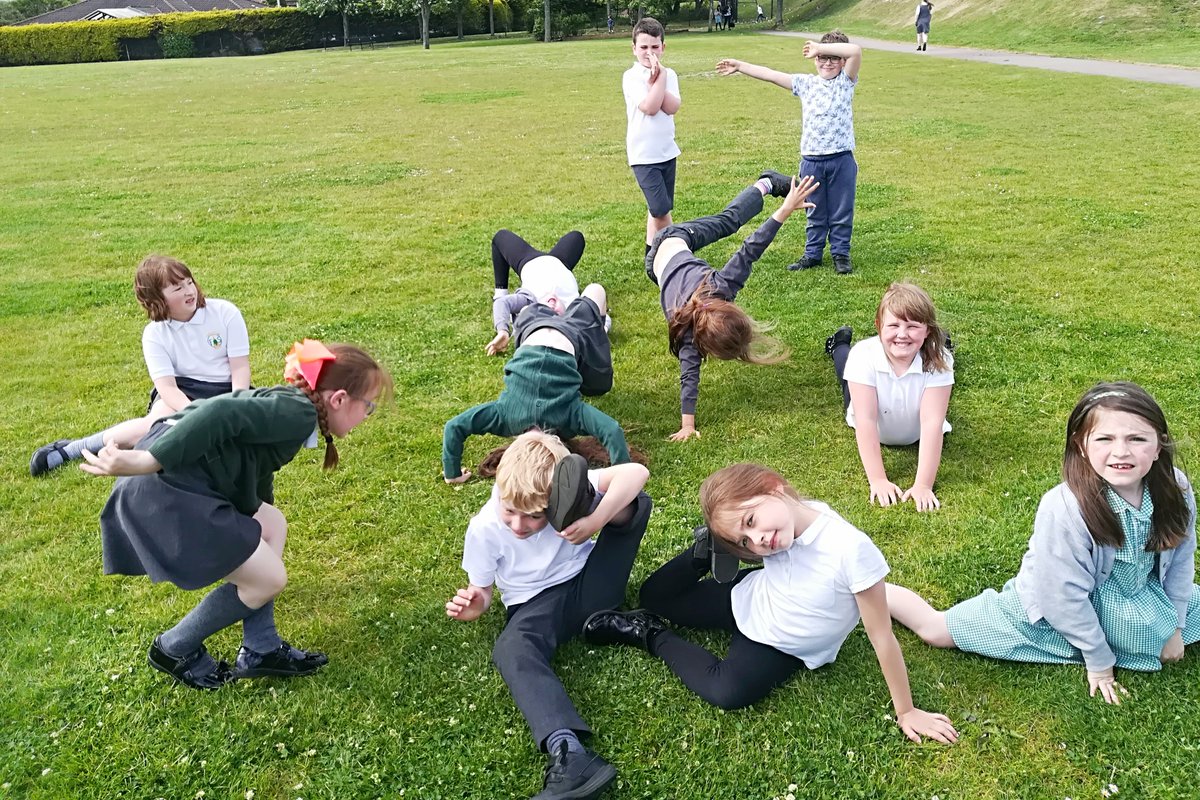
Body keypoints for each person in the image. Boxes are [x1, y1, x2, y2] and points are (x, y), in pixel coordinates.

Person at [80, 339, 389, 690]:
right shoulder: (297, 413)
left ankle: (261, 648)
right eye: (369, 406)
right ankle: (174, 648)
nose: (368, 414)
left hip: (176, 485)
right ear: (339, 400)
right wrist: (148, 460)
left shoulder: (293, 408)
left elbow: (253, 468)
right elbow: (218, 412)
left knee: (271, 524)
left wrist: (249, 517)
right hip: (168, 493)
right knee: (269, 579)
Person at [583, 463, 959, 745]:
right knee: (656, 595)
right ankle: (709, 548)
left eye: (750, 521)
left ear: (775, 487)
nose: (758, 540)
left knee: (728, 691)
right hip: (752, 597)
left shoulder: (850, 550)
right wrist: (736, 531)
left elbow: (882, 637)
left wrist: (906, 710)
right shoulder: (783, 521)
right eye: (744, 541)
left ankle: (648, 632)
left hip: (781, 644)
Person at [887, 382, 1200, 704]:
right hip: (1057, 605)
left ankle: (1129, 630)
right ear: (1081, 445)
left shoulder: (1174, 488)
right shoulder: (1064, 507)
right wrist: (1100, 663)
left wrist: (1175, 625)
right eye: (1105, 438)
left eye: (1137, 439)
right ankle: (873, 591)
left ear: (1159, 445)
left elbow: (1180, 562)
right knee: (936, 631)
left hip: (1137, 592)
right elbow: (1060, 596)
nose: (1121, 452)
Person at [446, 431, 652, 799]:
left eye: (535, 516)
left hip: (592, 584)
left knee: (632, 505)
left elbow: (637, 474)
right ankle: (569, 752)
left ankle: (598, 614)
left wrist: (594, 519)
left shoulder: (559, 489)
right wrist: (476, 604)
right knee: (511, 650)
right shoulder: (484, 529)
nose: (519, 525)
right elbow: (482, 591)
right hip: (534, 604)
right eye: (510, 510)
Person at [30, 255, 251, 476]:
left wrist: (235, 406)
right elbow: (168, 388)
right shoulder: (154, 334)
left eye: (189, 282)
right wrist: (196, 415)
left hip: (226, 388)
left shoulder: (225, 312)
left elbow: (239, 368)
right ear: (156, 299)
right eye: (177, 288)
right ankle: (72, 449)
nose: (188, 291)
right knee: (153, 428)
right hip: (182, 390)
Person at [645, 171, 818, 441]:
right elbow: (688, 377)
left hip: (667, 251)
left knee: (728, 222)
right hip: (665, 253)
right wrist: (687, 425)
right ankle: (767, 183)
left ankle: (765, 184)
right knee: (725, 222)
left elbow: (752, 248)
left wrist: (785, 210)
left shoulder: (721, 286)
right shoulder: (691, 329)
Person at [443, 283, 630, 483]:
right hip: (532, 327)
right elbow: (454, 427)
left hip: (567, 334)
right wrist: (451, 473)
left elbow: (611, 430)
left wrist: (621, 472)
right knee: (591, 291)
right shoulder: (505, 417)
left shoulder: (568, 418)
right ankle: (558, 311)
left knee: (595, 291)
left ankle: (585, 322)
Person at [717, 32, 863, 274]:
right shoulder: (806, 83)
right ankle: (813, 253)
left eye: (833, 58)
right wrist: (740, 66)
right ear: (814, 60)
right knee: (813, 209)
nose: (826, 63)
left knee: (841, 209)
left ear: (843, 62)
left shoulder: (845, 81)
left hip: (841, 160)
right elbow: (771, 75)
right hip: (812, 162)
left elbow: (856, 51)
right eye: (822, 58)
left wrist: (819, 47)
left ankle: (840, 254)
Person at [825, 283, 953, 511]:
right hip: (871, 399)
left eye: (913, 326)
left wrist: (923, 485)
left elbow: (933, 422)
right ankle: (838, 344)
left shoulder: (938, 362)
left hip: (915, 429)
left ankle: (941, 341)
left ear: (927, 332)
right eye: (893, 325)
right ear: (879, 326)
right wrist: (878, 480)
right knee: (845, 366)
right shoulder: (863, 356)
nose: (902, 334)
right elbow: (865, 420)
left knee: (941, 357)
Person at [488, 228, 600, 357]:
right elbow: (601, 318)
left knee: (500, 237)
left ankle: (500, 291)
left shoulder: (531, 301)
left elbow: (502, 303)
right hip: (561, 262)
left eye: (545, 311)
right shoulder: (574, 308)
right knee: (576, 237)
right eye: (555, 313)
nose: (551, 306)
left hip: (529, 261)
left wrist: (502, 330)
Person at [623, 17, 681, 257]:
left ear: (663, 48)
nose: (649, 52)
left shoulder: (669, 75)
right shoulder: (632, 76)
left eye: (655, 47)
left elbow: (671, 107)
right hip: (643, 155)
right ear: (634, 48)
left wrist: (661, 77)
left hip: (667, 151)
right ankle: (675, 251)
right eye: (644, 47)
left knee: (659, 208)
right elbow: (649, 106)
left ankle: (651, 252)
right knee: (660, 209)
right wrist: (657, 80)